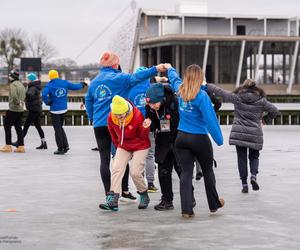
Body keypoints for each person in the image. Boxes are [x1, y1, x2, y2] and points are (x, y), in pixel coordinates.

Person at [85, 51, 166, 199]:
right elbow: (138, 76)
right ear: (116, 64)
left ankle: (109, 194)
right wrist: (156, 68)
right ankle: (124, 190)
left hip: (99, 125)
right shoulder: (121, 78)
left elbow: (88, 101)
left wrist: (92, 117)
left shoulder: (95, 82)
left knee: (104, 160)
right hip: (118, 123)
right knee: (122, 156)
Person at [166, 63, 224, 218]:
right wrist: (219, 139)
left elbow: (174, 79)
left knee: (185, 173)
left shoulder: (180, 91)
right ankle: (213, 204)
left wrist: (170, 68)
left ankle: (186, 210)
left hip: (181, 138)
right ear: (200, 78)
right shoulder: (202, 96)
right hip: (199, 138)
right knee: (207, 170)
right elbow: (210, 119)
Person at [207, 79, 279, 193]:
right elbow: (275, 110)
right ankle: (254, 176)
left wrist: (206, 85)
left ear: (243, 87)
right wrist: (264, 120)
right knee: (254, 156)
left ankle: (244, 184)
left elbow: (220, 92)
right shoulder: (261, 101)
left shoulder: (237, 97)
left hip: (239, 132)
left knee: (242, 158)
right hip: (255, 133)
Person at [99, 95, 152, 211]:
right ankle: (113, 199)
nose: (119, 118)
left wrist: (145, 128)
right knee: (117, 168)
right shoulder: (111, 118)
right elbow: (112, 133)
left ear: (127, 111)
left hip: (140, 145)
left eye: (121, 115)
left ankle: (144, 194)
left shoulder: (137, 115)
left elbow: (143, 136)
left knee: (135, 172)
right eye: (117, 115)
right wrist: (118, 146)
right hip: (124, 145)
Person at [145, 83, 182, 211]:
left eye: (154, 103)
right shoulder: (151, 107)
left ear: (162, 98)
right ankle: (167, 200)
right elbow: (152, 122)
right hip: (162, 141)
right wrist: (149, 122)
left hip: (178, 139)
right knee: (163, 172)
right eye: (150, 104)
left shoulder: (174, 102)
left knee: (182, 170)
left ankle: (189, 196)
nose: (152, 106)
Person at [128, 66, 158, 193]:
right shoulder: (151, 89)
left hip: (133, 126)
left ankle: (138, 181)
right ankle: (150, 183)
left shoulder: (130, 89)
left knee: (134, 156)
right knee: (149, 155)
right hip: (148, 125)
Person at [42, 70, 87, 154]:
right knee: (60, 127)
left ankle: (60, 148)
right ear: (57, 75)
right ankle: (66, 146)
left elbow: (44, 94)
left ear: (50, 77)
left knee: (57, 129)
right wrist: (82, 84)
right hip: (63, 109)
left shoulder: (49, 85)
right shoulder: (64, 82)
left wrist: (47, 102)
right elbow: (74, 87)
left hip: (55, 110)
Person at [13, 73, 47, 149]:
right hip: (36, 109)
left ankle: (19, 142)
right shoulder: (34, 86)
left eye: (27, 79)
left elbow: (30, 94)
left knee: (26, 126)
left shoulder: (33, 87)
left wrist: (23, 92)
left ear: (31, 80)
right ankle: (44, 143)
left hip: (34, 109)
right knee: (38, 126)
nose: (26, 80)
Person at [0, 69, 26, 153]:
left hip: (13, 109)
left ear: (12, 77)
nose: (8, 76)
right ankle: (21, 146)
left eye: (9, 75)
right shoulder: (21, 85)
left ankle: (8, 146)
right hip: (20, 110)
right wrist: (21, 102)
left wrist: (17, 102)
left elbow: (14, 95)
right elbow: (24, 94)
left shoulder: (13, 85)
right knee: (18, 127)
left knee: (7, 126)